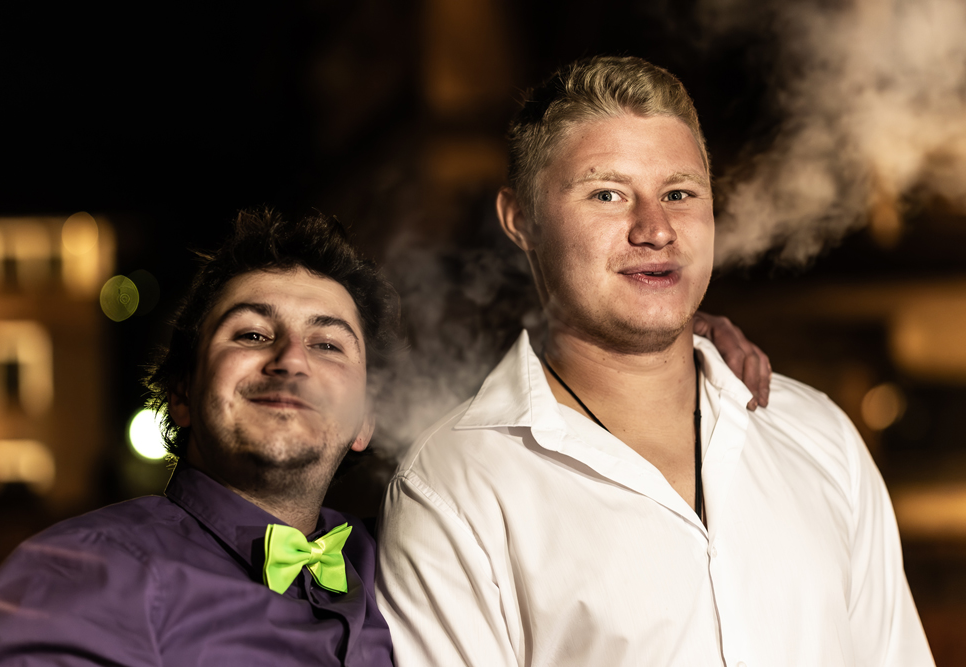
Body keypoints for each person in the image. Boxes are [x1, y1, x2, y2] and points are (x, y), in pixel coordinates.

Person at [376, 56, 934, 666]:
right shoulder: (456, 485)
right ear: (521, 220)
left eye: (678, 193)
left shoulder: (820, 435)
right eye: (607, 194)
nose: (656, 228)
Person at [0, 209, 398, 665]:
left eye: (327, 344)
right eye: (252, 334)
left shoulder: (406, 560)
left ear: (365, 421)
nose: (291, 360)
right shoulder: (91, 571)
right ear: (181, 393)